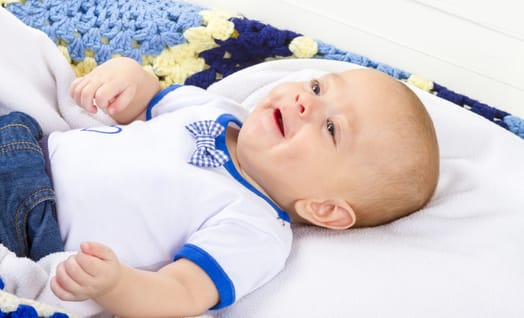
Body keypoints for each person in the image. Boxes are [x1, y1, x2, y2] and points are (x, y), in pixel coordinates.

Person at [0, 57, 439, 317]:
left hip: (34, 221)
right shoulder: (217, 108)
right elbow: (144, 101)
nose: (305, 101)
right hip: (26, 144)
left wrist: (114, 285)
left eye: (329, 128)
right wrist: (124, 77)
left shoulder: (255, 229)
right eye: (319, 86)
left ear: (325, 209)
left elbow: (183, 293)